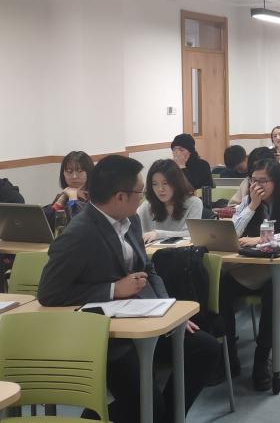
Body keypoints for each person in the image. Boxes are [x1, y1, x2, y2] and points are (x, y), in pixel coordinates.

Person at [37, 155, 221, 422]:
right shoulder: (80, 233)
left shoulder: (131, 219)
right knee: (148, 405)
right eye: (140, 191)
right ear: (120, 196)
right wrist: (113, 289)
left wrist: (168, 308)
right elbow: (49, 293)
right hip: (110, 337)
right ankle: (105, 416)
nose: (144, 197)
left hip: (143, 318)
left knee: (206, 349)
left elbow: (148, 269)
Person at [220, 157, 280, 390]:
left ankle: (262, 357)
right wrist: (251, 207)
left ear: (276, 181)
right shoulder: (249, 200)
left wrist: (262, 239)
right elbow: (232, 233)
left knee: (273, 291)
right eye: (253, 180)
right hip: (251, 268)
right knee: (221, 285)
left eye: (263, 181)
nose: (257, 186)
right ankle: (229, 354)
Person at [137, 159, 203, 243]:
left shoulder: (193, 203)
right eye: (155, 184)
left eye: (165, 183)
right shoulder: (147, 206)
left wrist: (159, 234)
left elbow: (191, 233)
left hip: (182, 250)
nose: (160, 189)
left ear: (176, 183)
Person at [44, 150, 94, 225]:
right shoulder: (63, 195)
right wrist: (62, 199)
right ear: (63, 174)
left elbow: (76, 225)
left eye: (80, 171)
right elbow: (45, 223)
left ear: (89, 172)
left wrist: (72, 198)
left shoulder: (95, 199)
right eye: (69, 171)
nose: (74, 176)